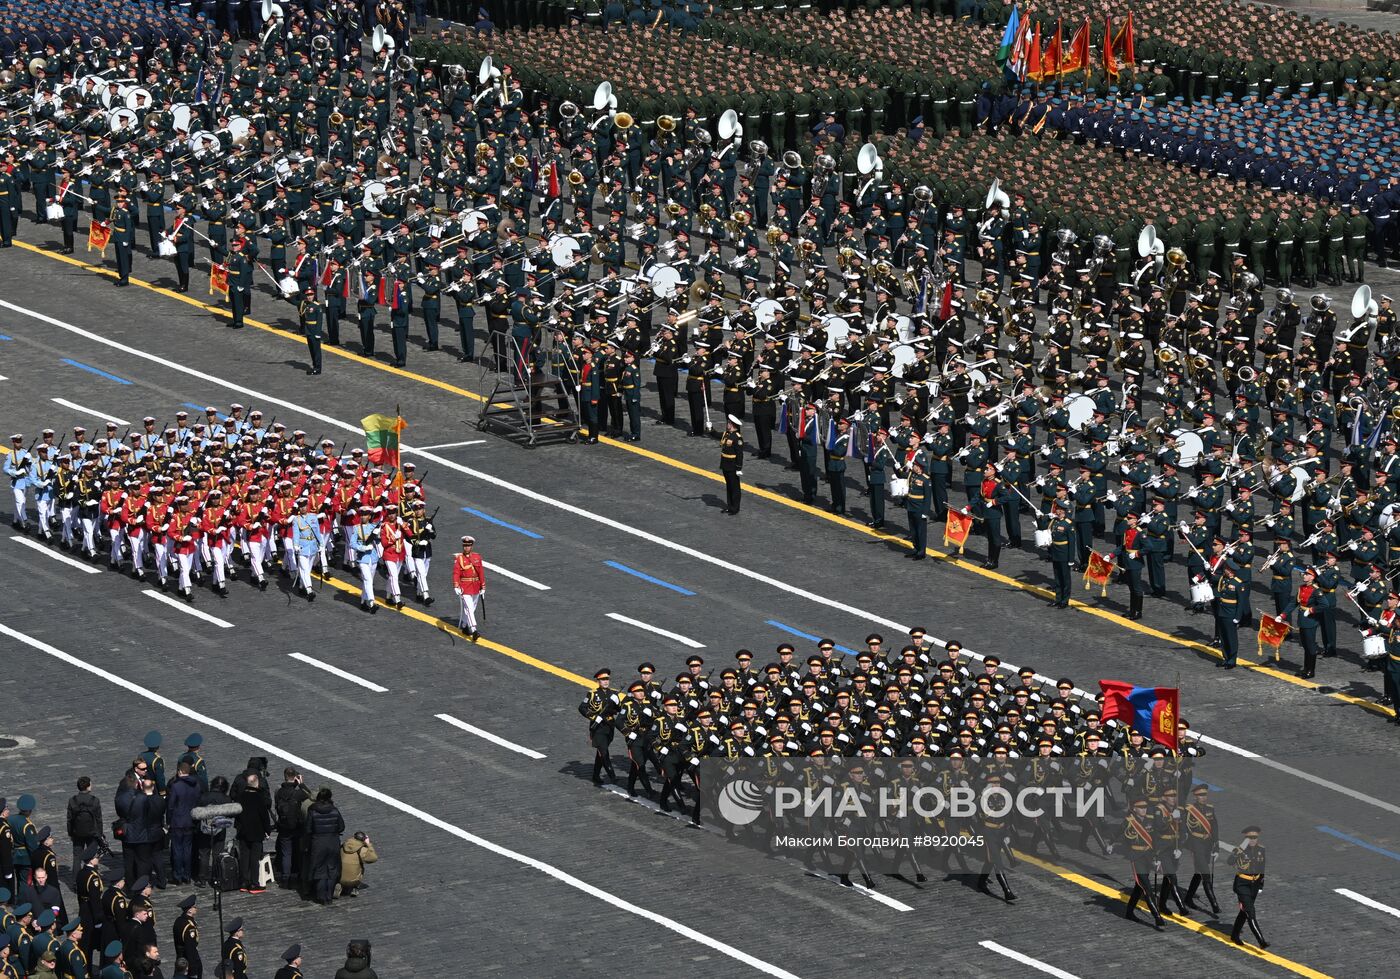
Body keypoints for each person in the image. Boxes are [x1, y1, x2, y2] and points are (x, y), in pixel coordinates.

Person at [230, 770, 272, 894]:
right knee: (254, 859)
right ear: (257, 784)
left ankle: (244, 882)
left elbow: (237, 814)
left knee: (244, 857)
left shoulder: (241, 796)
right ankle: (254, 883)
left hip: (243, 831)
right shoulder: (259, 797)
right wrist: (267, 830)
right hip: (256, 832)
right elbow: (264, 816)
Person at [1229, 824, 1269, 948]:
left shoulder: (1261, 849)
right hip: (1242, 884)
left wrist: (1261, 884)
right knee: (1251, 912)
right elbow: (1230, 861)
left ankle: (1234, 935)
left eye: (1254, 837)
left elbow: (1262, 867)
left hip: (1254, 885)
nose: (1252, 840)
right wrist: (1239, 850)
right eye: (1249, 838)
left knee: (1244, 911)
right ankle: (1261, 941)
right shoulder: (1240, 850)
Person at [303, 789, 344, 905]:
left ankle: (321, 896)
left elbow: (308, 829)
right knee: (332, 869)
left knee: (319, 870)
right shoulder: (334, 811)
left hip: (318, 843)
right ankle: (329, 896)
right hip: (332, 842)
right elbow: (341, 827)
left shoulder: (313, 811)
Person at [273, 770, 311, 891]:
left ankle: (285, 879)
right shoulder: (298, 793)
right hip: (297, 826)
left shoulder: (279, 792)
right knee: (299, 851)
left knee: (286, 853)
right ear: (295, 778)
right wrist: (301, 784)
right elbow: (310, 795)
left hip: (283, 826)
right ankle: (299, 875)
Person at [451, 535, 486, 641]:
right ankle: (474, 630)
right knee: (469, 608)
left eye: (468, 545)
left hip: (475, 587)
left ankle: (465, 625)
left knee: (472, 608)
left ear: (472, 546)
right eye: (465, 545)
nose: (466, 547)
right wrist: (456, 585)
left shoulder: (477, 557)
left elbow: (481, 572)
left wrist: (483, 586)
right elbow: (456, 573)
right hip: (465, 587)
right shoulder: (459, 558)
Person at [65, 777, 103, 872]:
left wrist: (71, 833)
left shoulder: (72, 800)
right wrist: (100, 834)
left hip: (77, 833)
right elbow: (99, 819)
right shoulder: (95, 800)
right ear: (88, 786)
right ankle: (92, 876)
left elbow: (69, 819)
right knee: (92, 856)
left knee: (77, 858)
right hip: (92, 833)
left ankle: (76, 880)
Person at [338, 831, 378, 898]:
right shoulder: (362, 849)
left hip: (339, 877)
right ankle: (354, 887)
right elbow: (373, 858)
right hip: (353, 880)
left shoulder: (344, 845)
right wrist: (368, 844)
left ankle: (338, 885)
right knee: (361, 868)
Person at [719, 415, 744, 515]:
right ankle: (730, 506)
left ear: (732, 425)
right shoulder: (726, 434)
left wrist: (739, 468)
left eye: (728, 423)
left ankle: (735, 508)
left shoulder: (737, 438)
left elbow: (740, 454)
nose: (727, 424)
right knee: (729, 486)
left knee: (734, 487)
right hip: (725, 464)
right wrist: (710, 429)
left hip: (733, 466)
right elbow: (716, 435)